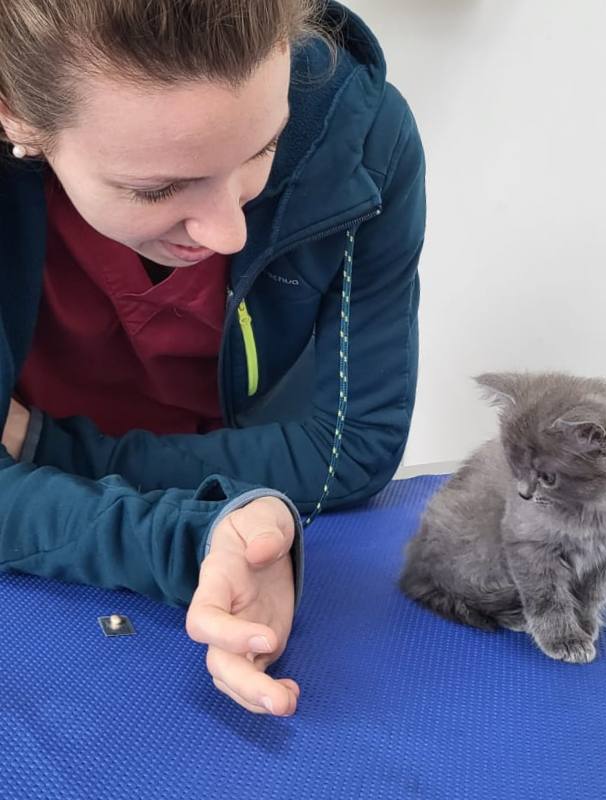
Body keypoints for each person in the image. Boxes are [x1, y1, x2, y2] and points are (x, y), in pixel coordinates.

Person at [0, 0, 425, 716]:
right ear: (15, 117)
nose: (227, 232)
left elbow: (353, 451)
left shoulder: (365, 139)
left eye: (265, 148)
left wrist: (42, 449)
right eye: (156, 189)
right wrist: (189, 534)